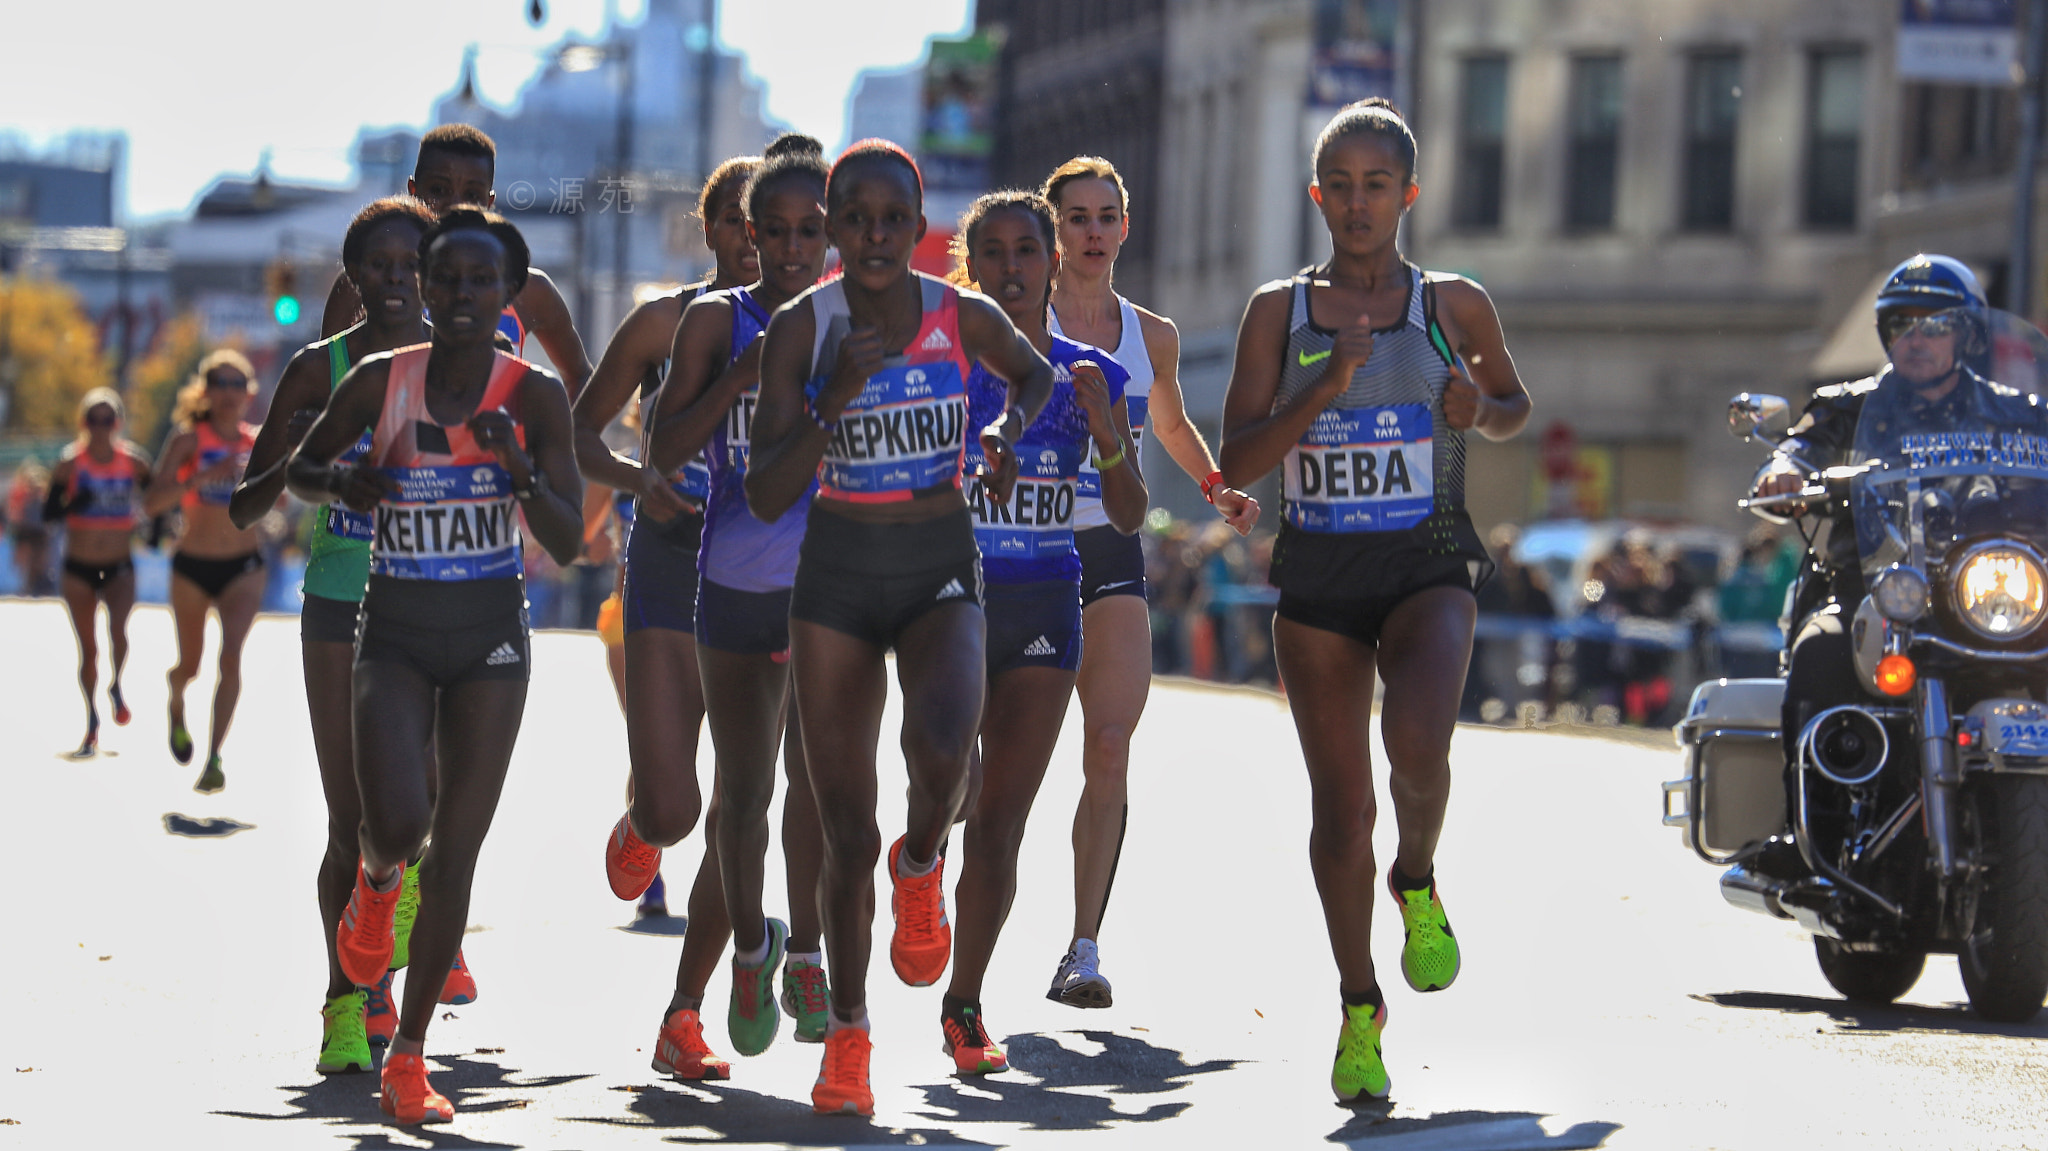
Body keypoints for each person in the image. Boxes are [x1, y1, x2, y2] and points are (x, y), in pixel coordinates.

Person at [1216, 98, 1531, 1102]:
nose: (1358, 204)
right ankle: (1359, 1003)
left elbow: (1512, 407)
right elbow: (1239, 460)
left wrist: (1476, 410)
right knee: (1339, 808)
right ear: (1316, 196)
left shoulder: (1452, 304)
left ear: (1407, 195)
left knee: (1420, 747)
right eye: (1339, 187)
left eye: (1376, 186)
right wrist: (1320, 389)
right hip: (1318, 576)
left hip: (1428, 556)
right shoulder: (1280, 310)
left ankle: (1418, 874)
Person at [744, 139, 1054, 1117]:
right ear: (832, 229)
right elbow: (762, 490)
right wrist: (827, 401)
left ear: (916, 231)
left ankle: (920, 859)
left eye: (894, 219)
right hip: (836, 569)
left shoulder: (958, 313)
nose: (875, 234)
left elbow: (1035, 376)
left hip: (933, 563)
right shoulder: (802, 327)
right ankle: (846, 1032)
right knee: (841, 821)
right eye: (856, 217)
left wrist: (1004, 429)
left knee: (941, 754)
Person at [288, 207, 584, 1125]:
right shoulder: (383, 380)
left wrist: (521, 473)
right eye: (444, 278)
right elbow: (300, 468)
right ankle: (376, 888)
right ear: (422, 281)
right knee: (394, 825)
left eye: (479, 281)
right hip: (399, 633)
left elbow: (569, 539)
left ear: (508, 295)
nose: (459, 295)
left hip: (493, 634)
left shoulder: (531, 395)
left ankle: (410, 1053)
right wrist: (343, 481)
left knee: (455, 847)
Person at [1039, 155, 1262, 1007]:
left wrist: (1217, 489)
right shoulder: (1019, 320)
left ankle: (1082, 946)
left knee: (1109, 743)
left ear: (1124, 228)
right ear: (1054, 231)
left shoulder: (1152, 335)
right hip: (1022, 549)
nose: (1092, 232)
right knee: (982, 758)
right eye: (1076, 218)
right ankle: (942, 881)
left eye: (1106, 216)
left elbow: (1166, 422)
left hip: (1110, 552)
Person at [230, 196, 437, 1075]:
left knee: (420, 819)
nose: (395, 282)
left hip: (440, 604)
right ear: (353, 279)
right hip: (340, 601)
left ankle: (399, 946)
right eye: (377, 268)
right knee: (350, 822)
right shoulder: (322, 368)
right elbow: (246, 504)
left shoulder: (473, 363)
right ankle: (344, 1004)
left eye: (410, 265)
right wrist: (307, 457)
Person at [942, 189, 1147, 1074]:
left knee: (999, 824)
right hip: (948, 609)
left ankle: (963, 1004)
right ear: (974, 267)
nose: (1016, 268)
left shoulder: (1085, 372)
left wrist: (1107, 434)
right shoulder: (941, 364)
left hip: (1045, 609)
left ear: (1050, 261)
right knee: (946, 791)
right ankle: (918, 864)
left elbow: (1131, 511)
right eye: (996, 253)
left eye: (1030, 252)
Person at [572, 149, 763, 1078]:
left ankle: (684, 1013)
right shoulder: (664, 320)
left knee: (739, 808)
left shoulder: (825, 329)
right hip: (668, 563)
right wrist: (636, 477)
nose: (755, 238)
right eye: (738, 220)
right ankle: (641, 820)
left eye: (774, 222)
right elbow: (579, 427)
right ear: (712, 226)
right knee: (677, 806)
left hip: (770, 580)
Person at [645, 132, 833, 1066]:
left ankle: (805, 948)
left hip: (832, 585)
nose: (794, 249)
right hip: (733, 577)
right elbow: (662, 452)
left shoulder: (858, 320)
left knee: (824, 782)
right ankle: (749, 953)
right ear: (750, 233)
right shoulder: (718, 320)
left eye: (813, 231)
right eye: (777, 231)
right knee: (743, 793)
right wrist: (736, 384)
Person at [1751, 254, 2043, 745]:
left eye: (1937, 325)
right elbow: (1798, 451)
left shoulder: (2019, 413)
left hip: (1992, 589)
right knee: (1821, 652)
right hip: (1875, 589)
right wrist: (1782, 473)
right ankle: (1820, 810)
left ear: (1969, 335)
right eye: (1902, 324)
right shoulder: (1846, 408)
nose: (1916, 338)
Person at [322, 124, 592, 394]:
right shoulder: (371, 281)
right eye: (439, 190)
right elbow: (324, 376)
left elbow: (580, 376)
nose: (455, 205)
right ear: (413, 192)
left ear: (489, 202)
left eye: (472, 195)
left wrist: (565, 434)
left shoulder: (528, 290)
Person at [144, 350, 267, 794]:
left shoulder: (258, 442)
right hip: (193, 565)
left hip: (244, 565)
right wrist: (201, 478)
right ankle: (176, 699)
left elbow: (282, 501)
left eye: (239, 384)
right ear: (207, 390)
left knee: (231, 655)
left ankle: (215, 755)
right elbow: (151, 504)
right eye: (221, 383)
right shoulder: (187, 441)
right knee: (191, 666)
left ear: (249, 393)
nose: (230, 393)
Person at [45, 389, 153, 756]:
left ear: (118, 423)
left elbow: (157, 502)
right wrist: (74, 503)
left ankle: (117, 683)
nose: (101, 428)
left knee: (119, 632)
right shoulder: (69, 465)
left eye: (108, 420)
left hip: (120, 565)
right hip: (79, 568)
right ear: (84, 424)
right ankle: (91, 716)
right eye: (94, 420)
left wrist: (156, 530)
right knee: (88, 649)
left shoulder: (134, 463)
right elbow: (48, 515)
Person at [7, 459, 55, 596]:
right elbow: (14, 514)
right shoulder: (21, 495)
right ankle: (27, 586)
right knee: (25, 561)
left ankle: (37, 585)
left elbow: (50, 515)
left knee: (40, 561)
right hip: (26, 531)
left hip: (40, 532)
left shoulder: (44, 494)